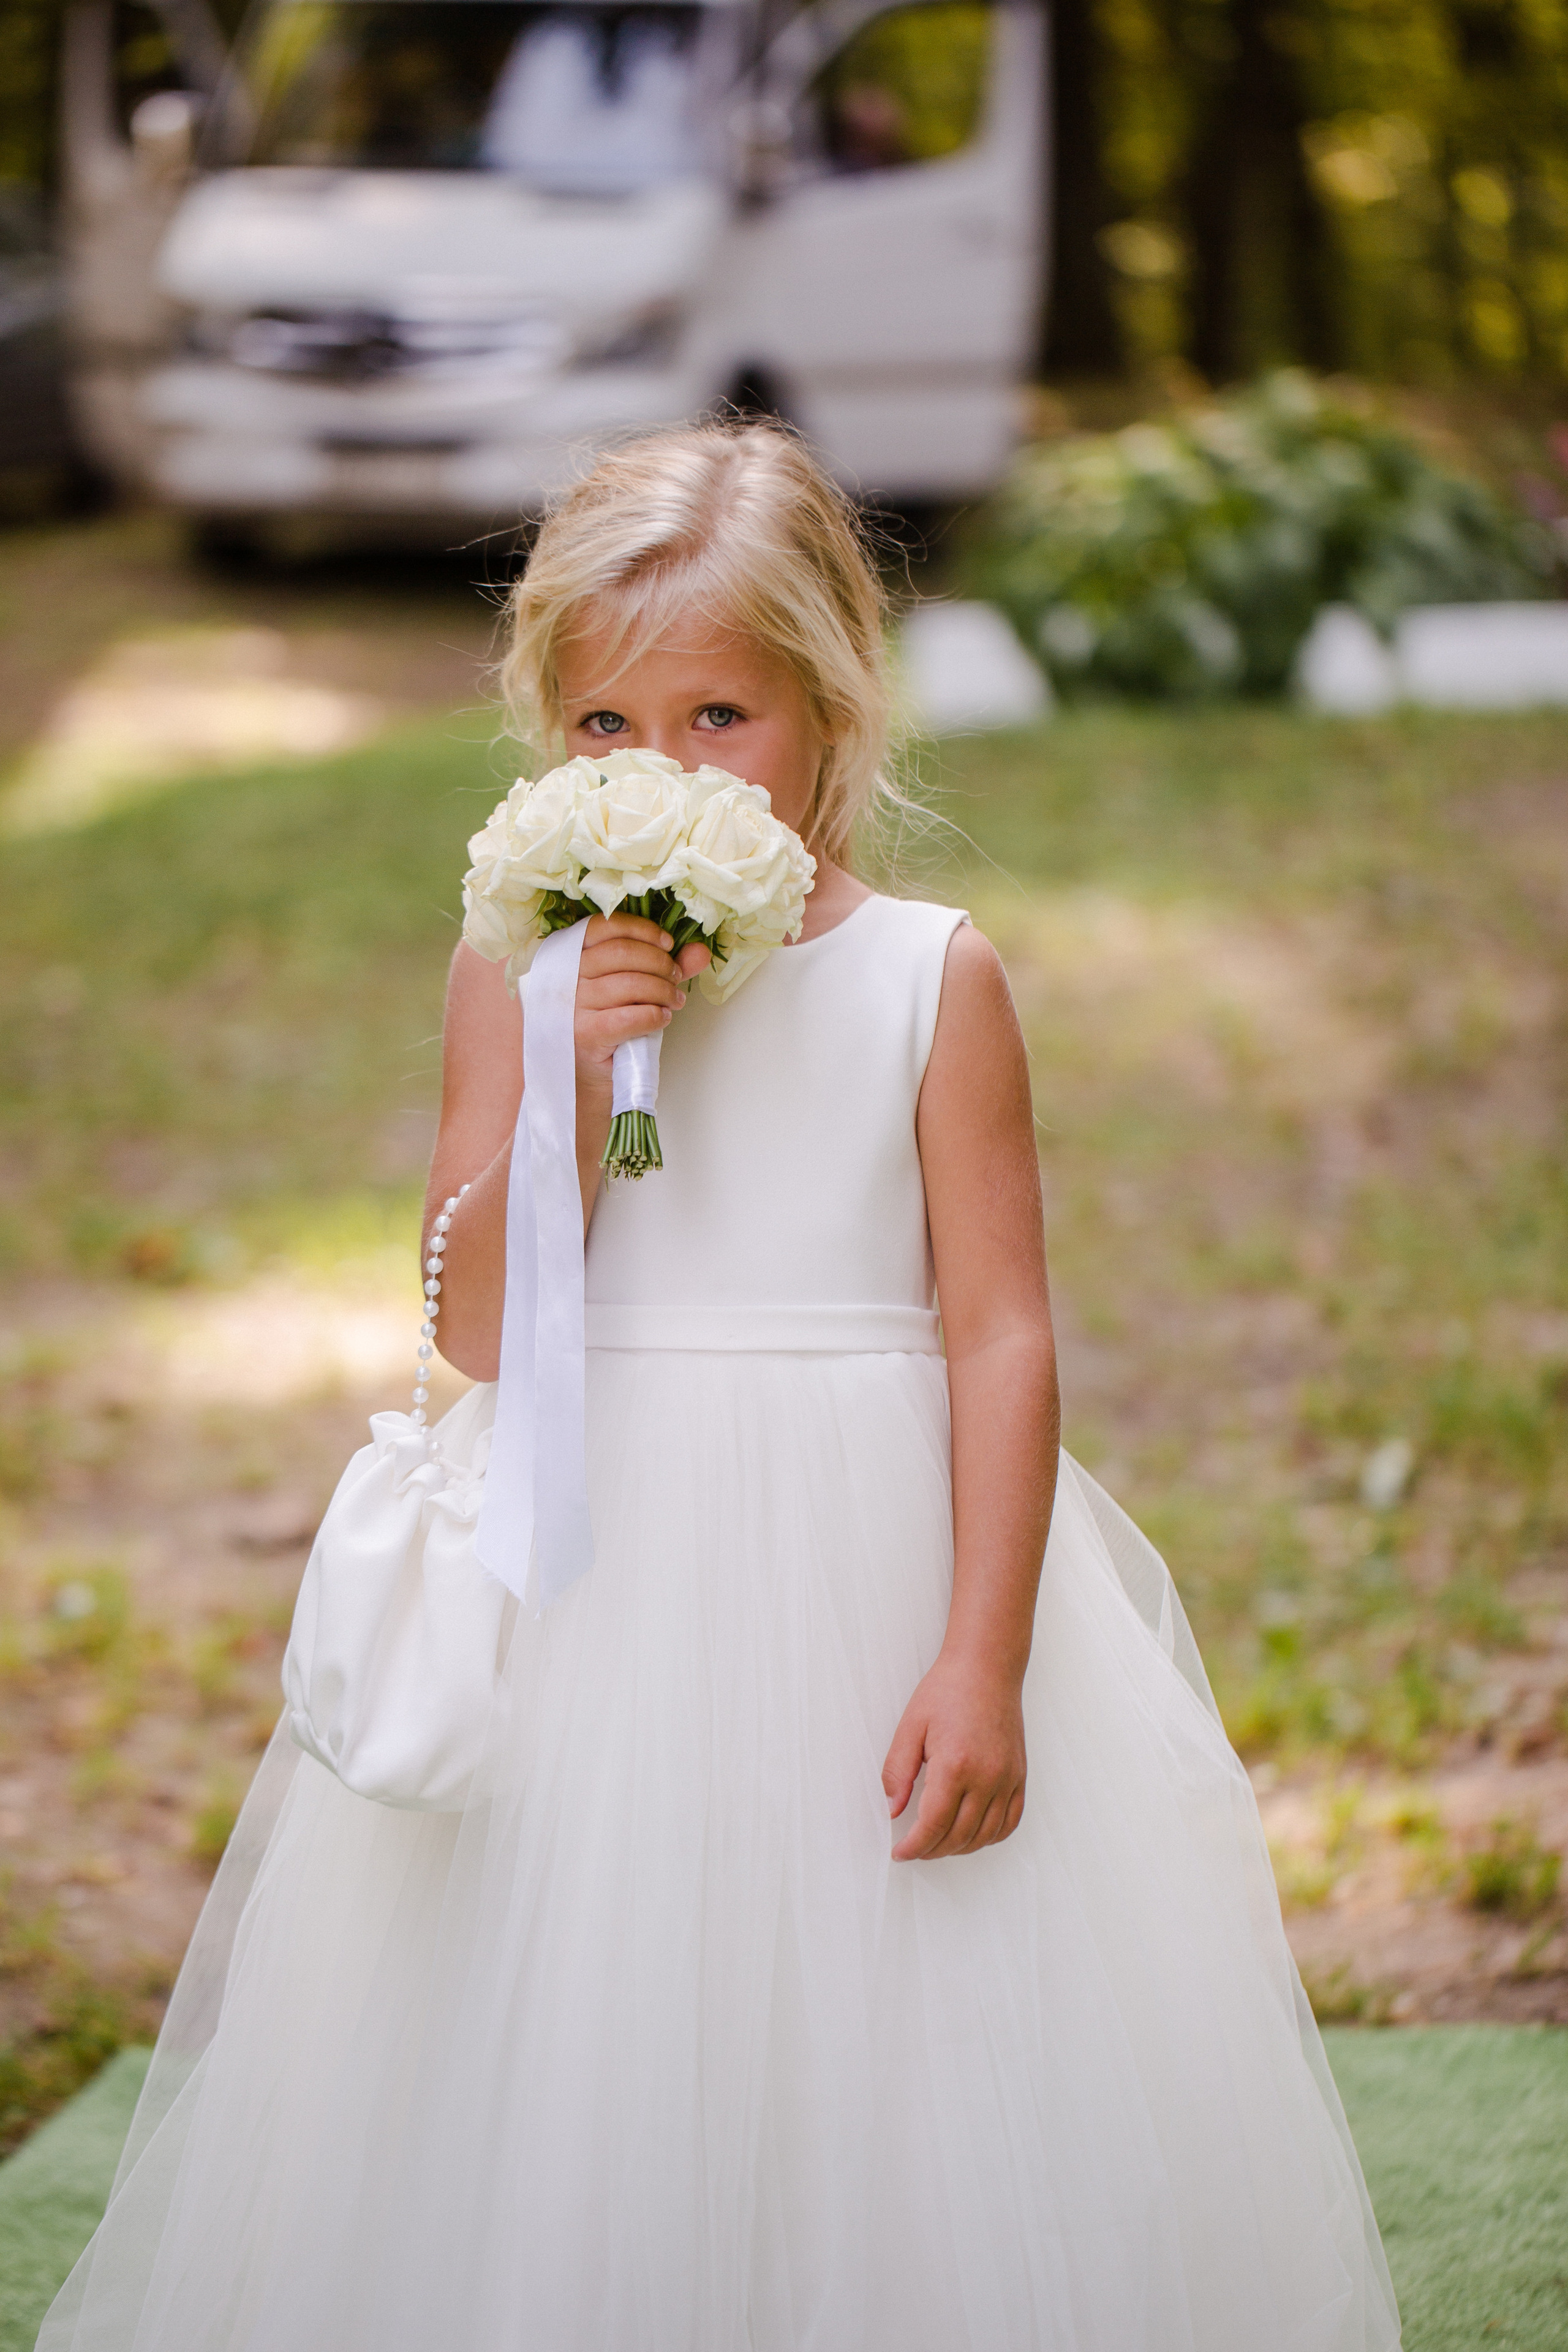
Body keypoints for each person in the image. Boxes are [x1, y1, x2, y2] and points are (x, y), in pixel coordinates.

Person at [39, 423, 1401, 2350]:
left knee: (884, 2009)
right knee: (587, 2014)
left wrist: (985, 1656)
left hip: (865, 1585)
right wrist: (581, 1069)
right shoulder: (511, 973)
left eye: (718, 719)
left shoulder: (932, 978)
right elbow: (479, 1326)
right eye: (606, 725)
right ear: (547, 732)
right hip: (593, 1593)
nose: (662, 767)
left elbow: (1002, 1331)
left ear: (831, 713)